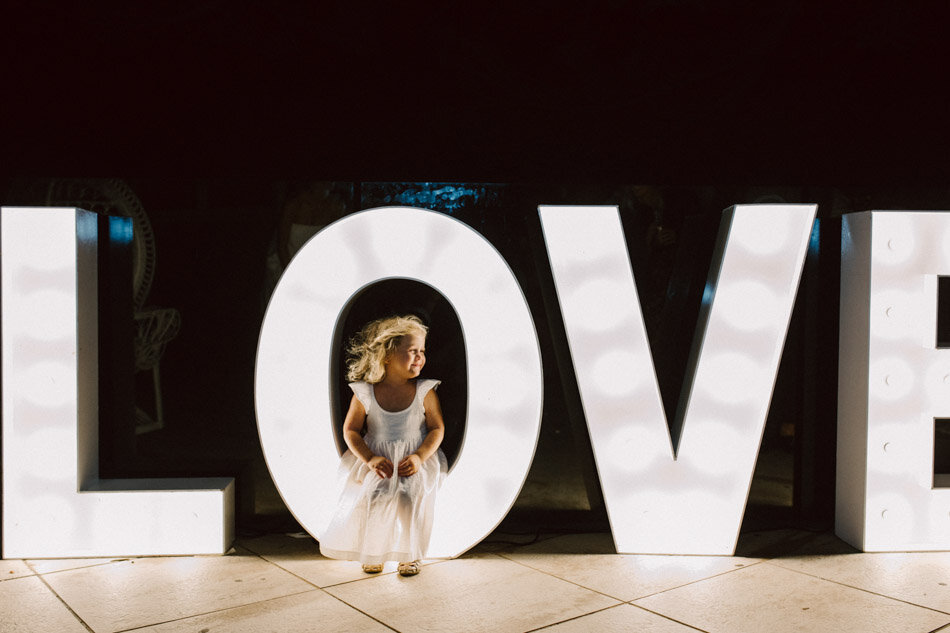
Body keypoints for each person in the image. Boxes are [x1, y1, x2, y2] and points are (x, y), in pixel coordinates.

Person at [318, 315, 447, 577]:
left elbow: (437, 428)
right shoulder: (365, 393)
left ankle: (409, 555)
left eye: (422, 351)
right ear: (387, 355)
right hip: (378, 459)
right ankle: (374, 551)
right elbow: (351, 430)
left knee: (408, 498)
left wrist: (421, 456)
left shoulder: (424, 391)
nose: (420, 357)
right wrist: (369, 458)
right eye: (412, 351)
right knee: (376, 497)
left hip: (412, 459)